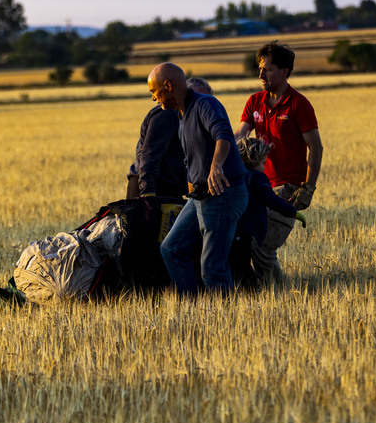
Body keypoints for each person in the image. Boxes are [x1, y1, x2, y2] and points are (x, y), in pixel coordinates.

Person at [150, 63, 248, 296]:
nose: (154, 98)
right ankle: (190, 310)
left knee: (213, 268)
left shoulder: (205, 104)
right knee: (172, 249)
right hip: (200, 196)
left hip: (223, 193)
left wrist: (216, 167)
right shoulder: (182, 115)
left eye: (154, 92)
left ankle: (226, 321)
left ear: (168, 86)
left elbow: (223, 134)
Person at [235, 40, 323, 282]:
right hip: (257, 186)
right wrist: (216, 144)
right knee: (246, 242)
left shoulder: (299, 104)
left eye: (268, 69)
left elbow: (315, 147)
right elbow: (241, 135)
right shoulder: (255, 101)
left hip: (288, 187)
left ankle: (274, 294)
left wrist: (309, 187)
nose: (261, 74)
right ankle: (271, 293)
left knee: (262, 245)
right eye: (260, 69)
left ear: (284, 72)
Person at [231, 137, 306, 290]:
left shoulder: (235, 177)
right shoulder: (258, 178)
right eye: (263, 164)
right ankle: (259, 291)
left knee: (236, 265)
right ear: (253, 160)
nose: (265, 169)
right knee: (250, 266)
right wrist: (294, 213)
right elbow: (272, 200)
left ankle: (245, 290)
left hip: (233, 231)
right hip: (250, 231)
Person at [126, 77, 213, 199]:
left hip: (169, 187)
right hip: (151, 188)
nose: (199, 102)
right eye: (195, 96)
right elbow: (149, 154)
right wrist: (148, 193)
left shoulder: (195, 119)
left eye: (205, 99)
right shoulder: (168, 113)